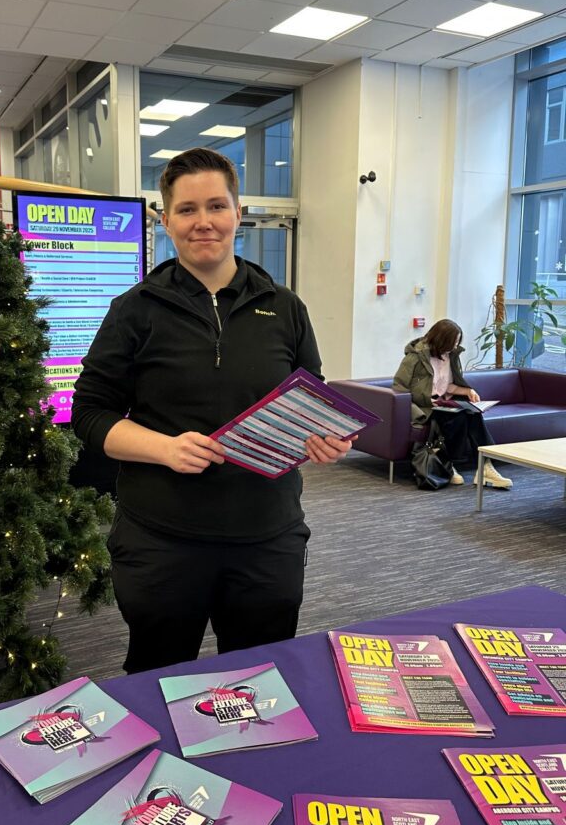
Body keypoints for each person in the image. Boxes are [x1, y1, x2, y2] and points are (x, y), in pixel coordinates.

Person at [71, 147, 352, 673]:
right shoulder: (134, 310)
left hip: (267, 539)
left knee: (260, 681)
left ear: (238, 213)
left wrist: (326, 438)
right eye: (187, 209)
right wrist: (163, 448)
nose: (204, 222)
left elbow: (311, 400)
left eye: (217, 207)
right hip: (162, 542)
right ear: (165, 220)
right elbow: (88, 414)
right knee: (158, 673)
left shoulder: (285, 307)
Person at [393, 319, 512, 489]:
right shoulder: (415, 358)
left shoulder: (451, 356)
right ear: (441, 340)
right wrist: (422, 405)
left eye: (457, 342)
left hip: (444, 402)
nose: (455, 346)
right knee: (456, 417)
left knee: (473, 413)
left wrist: (467, 391)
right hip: (426, 406)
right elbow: (399, 388)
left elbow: (447, 385)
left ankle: (486, 467)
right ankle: (449, 465)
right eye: (453, 342)